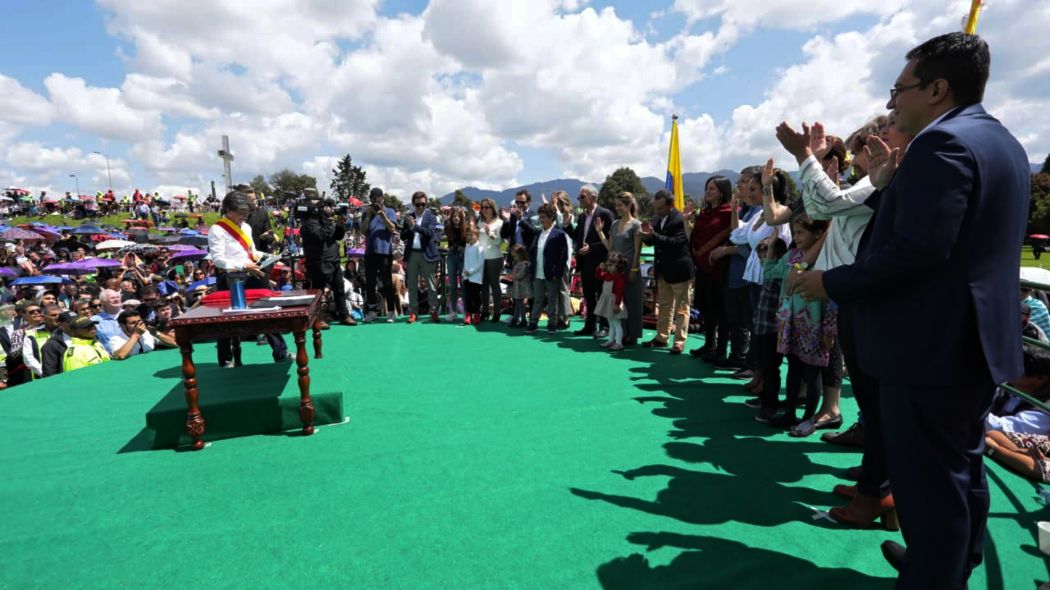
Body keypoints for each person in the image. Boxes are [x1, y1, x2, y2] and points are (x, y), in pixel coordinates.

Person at [795, 33, 1031, 588]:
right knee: (961, 466)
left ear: (938, 88)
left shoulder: (942, 143)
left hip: (931, 347)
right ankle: (950, 562)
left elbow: (917, 251)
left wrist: (831, 282)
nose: (891, 103)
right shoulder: (1004, 142)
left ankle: (931, 574)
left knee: (930, 480)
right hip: (972, 343)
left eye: (898, 89)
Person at [764, 214, 834, 438]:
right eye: (794, 233)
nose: (796, 237)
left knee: (813, 373)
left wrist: (830, 330)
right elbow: (769, 273)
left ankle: (808, 419)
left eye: (801, 232)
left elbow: (833, 301)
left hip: (814, 327)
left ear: (817, 234)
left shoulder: (826, 260)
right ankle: (790, 412)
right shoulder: (791, 256)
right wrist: (772, 248)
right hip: (790, 324)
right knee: (793, 370)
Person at [208, 190, 290, 367]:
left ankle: (280, 351)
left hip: (253, 272)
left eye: (246, 213)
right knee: (225, 320)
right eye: (241, 213)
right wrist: (243, 265)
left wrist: (270, 256)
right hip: (231, 277)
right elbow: (218, 259)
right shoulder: (217, 229)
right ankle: (225, 358)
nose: (244, 217)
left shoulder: (245, 227)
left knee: (266, 311)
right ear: (229, 210)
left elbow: (251, 252)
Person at [640, 190, 693, 354]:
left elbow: (677, 242)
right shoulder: (656, 219)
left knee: (682, 308)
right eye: (655, 208)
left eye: (660, 208)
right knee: (664, 306)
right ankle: (661, 337)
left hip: (680, 270)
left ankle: (679, 341)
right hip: (662, 270)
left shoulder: (680, 219)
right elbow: (652, 243)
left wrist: (653, 236)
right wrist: (646, 237)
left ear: (671, 205)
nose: (657, 212)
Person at [688, 177, 733, 359]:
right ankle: (709, 345)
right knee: (706, 308)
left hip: (720, 268)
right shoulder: (704, 213)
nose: (708, 191)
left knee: (720, 310)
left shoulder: (730, 212)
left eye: (712, 189)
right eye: (707, 188)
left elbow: (733, 236)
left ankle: (721, 350)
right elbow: (695, 238)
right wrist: (686, 222)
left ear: (722, 191)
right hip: (703, 269)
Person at [594, 192, 643, 345]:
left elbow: (637, 250)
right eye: (616, 205)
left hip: (630, 269)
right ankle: (618, 336)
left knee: (631, 302)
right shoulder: (614, 224)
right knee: (616, 302)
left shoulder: (636, 225)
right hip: (615, 270)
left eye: (620, 205)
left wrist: (634, 270)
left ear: (629, 205)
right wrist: (600, 232)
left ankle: (631, 334)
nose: (617, 208)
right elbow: (610, 247)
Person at [300, 194, 356, 327]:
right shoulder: (309, 223)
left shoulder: (326, 220)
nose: (328, 209)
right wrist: (328, 220)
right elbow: (321, 235)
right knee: (318, 291)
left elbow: (338, 236)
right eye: (325, 207)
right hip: (318, 260)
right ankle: (318, 318)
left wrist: (340, 223)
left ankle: (344, 315)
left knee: (339, 289)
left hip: (333, 258)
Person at [573, 185, 614, 336]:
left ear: (594, 197)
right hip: (585, 262)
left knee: (602, 294)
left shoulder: (606, 214)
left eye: (582, 197)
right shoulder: (582, 216)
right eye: (579, 197)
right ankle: (590, 325)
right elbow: (577, 236)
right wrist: (565, 223)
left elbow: (610, 241)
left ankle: (605, 327)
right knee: (589, 296)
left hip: (600, 262)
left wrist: (592, 248)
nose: (580, 200)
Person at [526, 203, 570, 334]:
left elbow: (564, 255)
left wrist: (558, 272)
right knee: (538, 299)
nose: (541, 219)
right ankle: (533, 323)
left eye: (544, 217)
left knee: (552, 300)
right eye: (540, 217)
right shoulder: (538, 233)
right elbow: (533, 252)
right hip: (537, 273)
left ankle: (552, 323)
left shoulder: (559, 234)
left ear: (552, 217)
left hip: (551, 273)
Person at [401, 191, 441, 323]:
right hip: (412, 254)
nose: (420, 207)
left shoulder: (431, 217)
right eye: (418, 204)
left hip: (427, 254)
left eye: (423, 204)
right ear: (413, 204)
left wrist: (415, 227)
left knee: (431, 285)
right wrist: (410, 227)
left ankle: (434, 311)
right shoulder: (409, 217)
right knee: (411, 285)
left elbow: (430, 233)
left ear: (426, 204)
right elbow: (403, 236)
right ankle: (413, 312)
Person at [362, 187, 399, 323]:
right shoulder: (366, 212)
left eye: (377, 198)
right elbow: (362, 231)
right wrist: (368, 217)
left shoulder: (389, 211)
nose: (374, 201)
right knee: (370, 283)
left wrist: (382, 215)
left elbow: (392, 228)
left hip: (384, 251)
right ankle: (372, 311)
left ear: (382, 199)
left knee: (387, 282)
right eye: (372, 198)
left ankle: (391, 311)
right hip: (370, 252)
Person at [476, 198, 504, 322]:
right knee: (483, 287)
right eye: (482, 207)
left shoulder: (499, 223)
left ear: (493, 209)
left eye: (487, 207)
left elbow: (499, 242)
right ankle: (485, 311)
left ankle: (497, 312)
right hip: (481, 257)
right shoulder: (479, 222)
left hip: (494, 257)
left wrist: (489, 233)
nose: (484, 210)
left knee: (495, 285)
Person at [595, 252, 629, 351]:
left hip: (614, 303)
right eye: (608, 265)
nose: (608, 268)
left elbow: (620, 292)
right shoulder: (607, 275)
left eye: (610, 265)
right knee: (611, 323)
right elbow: (598, 276)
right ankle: (611, 340)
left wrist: (617, 304)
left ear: (618, 265)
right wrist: (599, 268)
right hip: (608, 302)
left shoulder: (619, 277)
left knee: (616, 323)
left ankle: (619, 343)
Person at [443, 207, 470, 322]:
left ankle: (465, 312)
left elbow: (470, 243)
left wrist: (463, 248)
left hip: (463, 257)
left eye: (458, 216)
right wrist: (448, 247)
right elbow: (444, 243)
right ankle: (453, 311)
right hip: (451, 256)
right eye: (454, 216)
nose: (456, 218)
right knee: (452, 285)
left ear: (462, 217)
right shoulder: (447, 228)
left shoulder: (467, 228)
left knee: (464, 285)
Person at [462, 225, 485, 326]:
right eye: (468, 235)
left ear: (477, 236)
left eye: (471, 235)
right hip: (467, 277)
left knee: (476, 297)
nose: (469, 237)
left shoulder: (480, 247)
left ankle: (476, 314)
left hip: (476, 278)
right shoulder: (467, 247)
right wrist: (464, 272)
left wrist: (470, 271)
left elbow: (480, 263)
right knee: (467, 296)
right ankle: (468, 314)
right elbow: (466, 261)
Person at [41, 311, 75, 377]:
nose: (75, 324)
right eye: (71, 322)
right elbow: (49, 373)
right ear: (60, 325)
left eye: (77, 321)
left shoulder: (89, 337)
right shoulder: (51, 345)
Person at [507, 244, 532, 327]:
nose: (514, 258)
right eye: (513, 256)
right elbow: (514, 273)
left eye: (515, 256)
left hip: (522, 287)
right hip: (516, 287)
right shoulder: (516, 263)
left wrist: (511, 277)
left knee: (520, 304)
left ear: (521, 254)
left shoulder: (525, 263)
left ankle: (523, 320)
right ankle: (516, 318)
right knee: (517, 303)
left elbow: (521, 274)